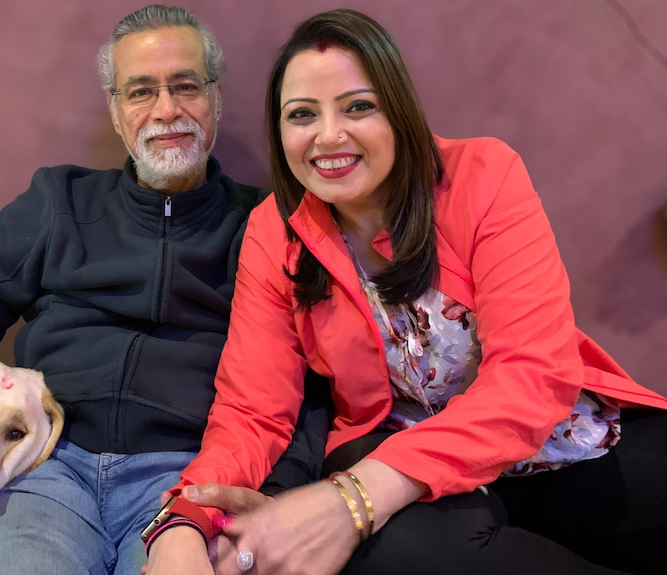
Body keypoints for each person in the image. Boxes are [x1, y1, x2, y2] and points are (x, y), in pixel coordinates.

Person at [0, 5, 328, 575]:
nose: (166, 110)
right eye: (140, 92)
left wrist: (276, 492)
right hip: (44, 474)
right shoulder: (58, 204)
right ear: (115, 109)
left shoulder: (268, 226)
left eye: (185, 86)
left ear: (216, 98)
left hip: (188, 487)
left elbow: (310, 384)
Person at [144, 8, 667, 575]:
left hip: (558, 443)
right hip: (408, 474)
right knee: (413, 556)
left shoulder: (483, 174)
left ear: (398, 109)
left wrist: (354, 498)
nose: (328, 135)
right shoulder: (276, 231)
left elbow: (532, 374)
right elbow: (252, 410)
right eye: (301, 114)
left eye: (358, 106)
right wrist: (183, 518)